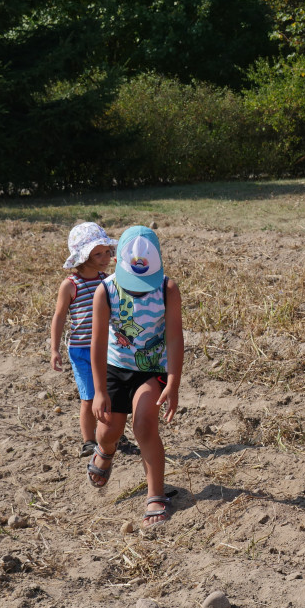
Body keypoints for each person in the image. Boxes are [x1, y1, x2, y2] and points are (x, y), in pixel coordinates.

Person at [88, 226, 184, 530]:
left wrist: (174, 381)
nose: (140, 289)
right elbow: (98, 342)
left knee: (143, 423)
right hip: (115, 367)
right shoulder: (106, 290)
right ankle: (105, 450)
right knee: (109, 430)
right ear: (118, 264)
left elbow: (174, 338)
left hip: (152, 368)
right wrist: (100, 390)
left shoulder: (168, 289)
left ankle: (156, 494)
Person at [50, 223, 117, 458]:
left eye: (107, 251)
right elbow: (59, 317)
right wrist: (54, 349)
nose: (105, 257)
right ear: (83, 256)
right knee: (89, 397)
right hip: (81, 350)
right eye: (98, 253)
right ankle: (89, 441)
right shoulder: (70, 285)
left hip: (107, 349)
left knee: (110, 393)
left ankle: (112, 432)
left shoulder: (108, 281)